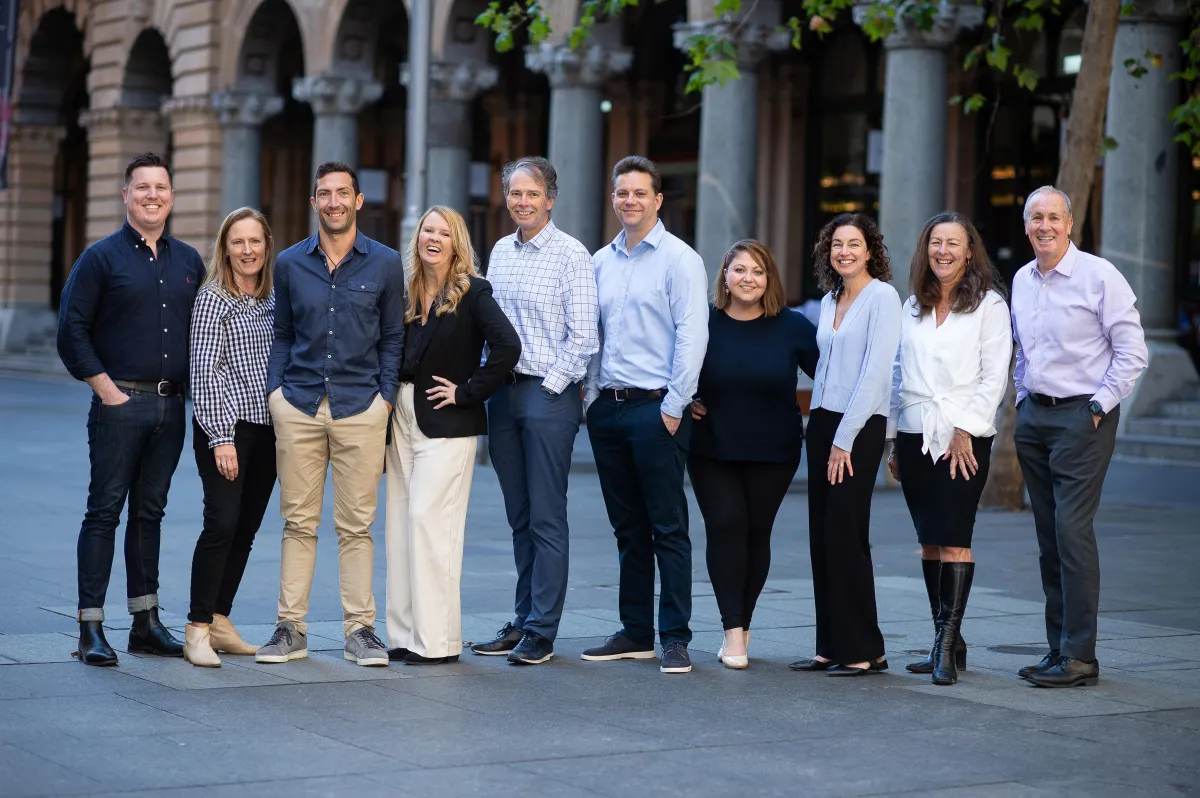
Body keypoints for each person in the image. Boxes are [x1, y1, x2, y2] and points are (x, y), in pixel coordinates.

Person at [256, 161, 405, 668]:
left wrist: (384, 397)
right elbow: (282, 334)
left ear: (358, 201)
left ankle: (360, 630)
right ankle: (290, 628)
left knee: (356, 527)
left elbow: (393, 337)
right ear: (314, 202)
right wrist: (276, 391)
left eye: (344, 193)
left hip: (361, 407)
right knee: (297, 522)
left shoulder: (384, 263)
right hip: (297, 404)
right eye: (326, 194)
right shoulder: (291, 263)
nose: (335, 202)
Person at [57, 153, 203, 666]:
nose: (152, 195)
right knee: (104, 513)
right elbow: (71, 331)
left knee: (150, 515)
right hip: (120, 403)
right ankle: (90, 628)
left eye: (160, 187)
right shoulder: (100, 258)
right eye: (142, 187)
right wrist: (105, 389)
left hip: (170, 409)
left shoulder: (189, 261)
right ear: (126, 196)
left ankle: (145, 623)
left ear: (171, 195)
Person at [1011, 186, 1147, 688]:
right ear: (1025, 226)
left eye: (1053, 217)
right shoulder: (1023, 279)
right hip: (1036, 419)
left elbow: (1132, 351)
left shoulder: (1099, 275)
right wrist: (1022, 396)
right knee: (1050, 539)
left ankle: (1081, 655)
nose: (1044, 226)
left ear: (1070, 224)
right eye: (1035, 218)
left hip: (1081, 418)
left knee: (1072, 531)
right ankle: (1057, 649)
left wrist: (1098, 405)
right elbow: (1024, 349)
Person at [582, 156, 708, 675]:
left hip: (658, 410)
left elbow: (693, 335)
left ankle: (674, 636)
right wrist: (591, 397)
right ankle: (635, 631)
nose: (629, 200)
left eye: (640, 193)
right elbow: (593, 336)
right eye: (622, 193)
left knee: (668, 527)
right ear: (613, 200)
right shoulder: (599, 262)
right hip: (608, 411)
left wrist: (674, 407)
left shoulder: (681, 260)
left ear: (658, 200)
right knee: (627, 529)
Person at [472, 157, 598, 666]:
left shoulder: (572, 255)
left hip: (549, 395)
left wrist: (548, 387)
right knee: (519, 517)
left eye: (532, 193)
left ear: (551, 198)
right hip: (503, 395)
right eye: (515, 193)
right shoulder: (500, 251)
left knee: (547, 518)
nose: (522, 201)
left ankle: (542, 630)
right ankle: (523, 619)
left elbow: (584, 336)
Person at [384, 206, 521, 666]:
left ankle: (437, 642)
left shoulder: (474, 293)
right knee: (401, 526)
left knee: (429, 524)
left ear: (457, 242)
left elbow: (508, 347)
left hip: (448, 422)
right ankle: (404, 635)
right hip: (400, 416)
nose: (434, 239)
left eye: (444, 232)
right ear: (417, 238)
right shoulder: (405, 293)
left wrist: (468, 393)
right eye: (428, 230)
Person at [885, 212, 1012, 686]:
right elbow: (898, 373)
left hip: (964, 435)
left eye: (953, 243)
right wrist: (894, 438)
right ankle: (949, 642)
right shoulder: (912, 305)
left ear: (969, 251)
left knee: (955, 536)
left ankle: (944, 644)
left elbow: (993, 375)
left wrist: (965, 430)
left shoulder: (989, 306)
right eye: (936, 242)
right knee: (929, 539)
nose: (943, 251)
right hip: (916, 431)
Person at [688, 240, 818, 669]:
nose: (748, 279)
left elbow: (833, 376)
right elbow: (674, 368)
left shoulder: (793, 327)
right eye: (740, 269)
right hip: (713, 446)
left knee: (756, 532)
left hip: (774, 448)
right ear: (724, 276)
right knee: (726, 526)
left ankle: (742, 625)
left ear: (769, 279)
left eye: (758, 271)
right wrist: (685, 398)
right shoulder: (702, 324)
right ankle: (732, 632)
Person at [788, 213, 900, 677]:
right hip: (823, 422)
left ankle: (864, 649)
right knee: (821, 536)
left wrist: (844, 440)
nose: (845, 252)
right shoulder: (830, 297)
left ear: (870, 250)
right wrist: (820, 428)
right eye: (837, 244)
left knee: (846, 535)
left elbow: (876, 375)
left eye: (854, 243)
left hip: (858, 427)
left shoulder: (883, 298)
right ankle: (831, 645)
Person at [184, 207, 279, 668]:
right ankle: (197, 628)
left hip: (268, 431)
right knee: (221, 524)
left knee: (245, 529)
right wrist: (222, 438)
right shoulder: (213, 299)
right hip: (227, 429)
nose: (247, 250)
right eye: (238, 242)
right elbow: (204, 374)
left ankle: (221, 619)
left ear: (267, 245)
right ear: (225, 248)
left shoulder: (270, 300)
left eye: (255, 241)